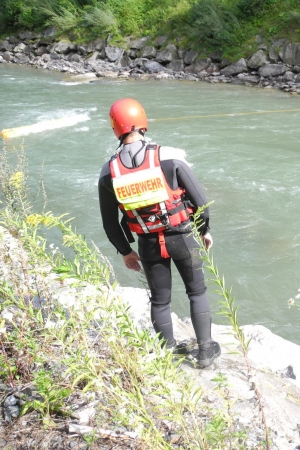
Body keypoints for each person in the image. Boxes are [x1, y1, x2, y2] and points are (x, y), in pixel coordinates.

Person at [98, 98, 220, 368]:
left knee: (160, 300)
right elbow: (200, 202)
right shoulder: (169, 157)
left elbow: (109, 222)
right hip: (183, 238)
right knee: (196, 292)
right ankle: (205, 352)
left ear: (115, 129)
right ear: (142, 121)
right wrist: (205, 230)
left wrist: (125, 251)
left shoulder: (109, 172)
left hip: (148, 243)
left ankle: (168, 353)